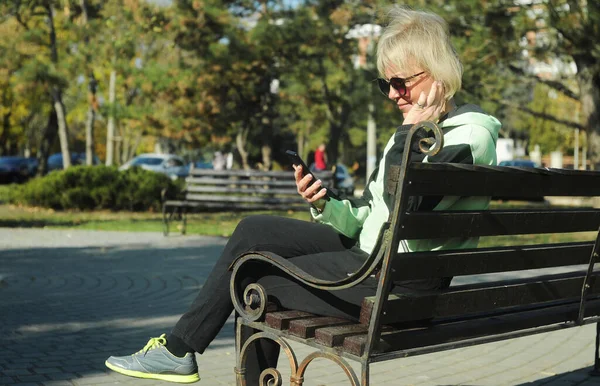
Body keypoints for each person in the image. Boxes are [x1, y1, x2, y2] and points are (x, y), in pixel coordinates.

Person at [105, 5, 500, 384]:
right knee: (252, 231)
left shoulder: (469, 134)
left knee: (253, 280)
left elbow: (408, 209)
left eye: (401, 83)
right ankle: (177, 351)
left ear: (436, 73)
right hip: (372, 257)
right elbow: (368, 215)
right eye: (386, 84)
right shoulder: (418, 131)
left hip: (396, 287)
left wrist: (408, 135)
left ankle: (193, 358)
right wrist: (324, 204)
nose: (394, 94)